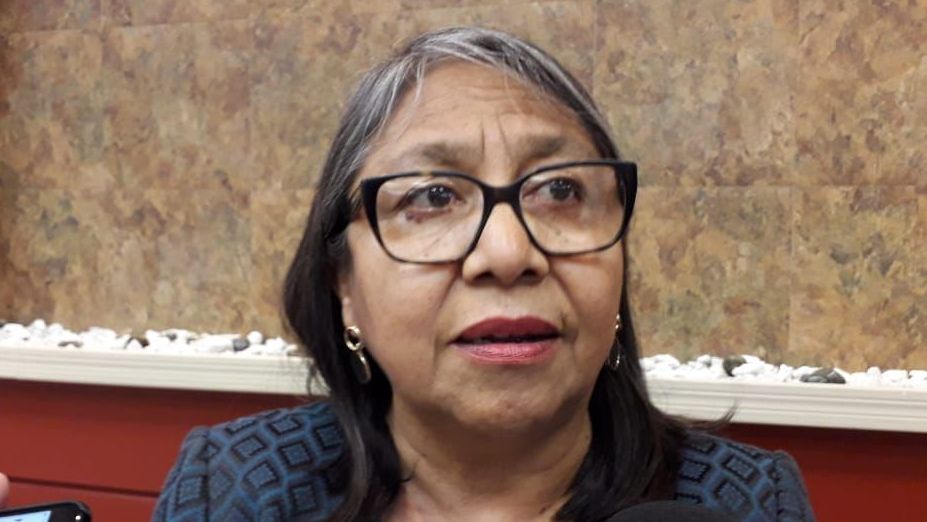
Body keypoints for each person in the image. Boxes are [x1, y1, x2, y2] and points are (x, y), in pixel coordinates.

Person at [153, 27, 815, 521]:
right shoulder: (234, 489)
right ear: (343, 286)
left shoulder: (746, 503)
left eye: (559, 190)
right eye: (433, 196)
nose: (507, 252)